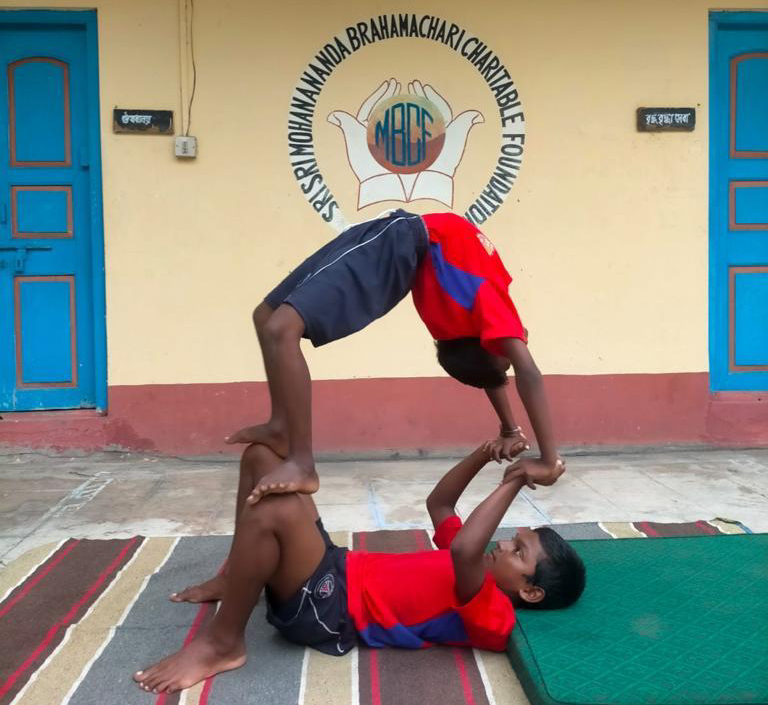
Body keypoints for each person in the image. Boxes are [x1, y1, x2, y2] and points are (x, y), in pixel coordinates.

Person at [133, 443, 585, 695]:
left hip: (331, 612)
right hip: (337, 568)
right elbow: (440, 504)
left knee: (273, 512)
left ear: (530, 592)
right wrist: (485, 455)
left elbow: (468, 545)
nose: (503, 543)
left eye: (518, 551)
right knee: (262, 458)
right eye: (514, 539)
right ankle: (240, 576)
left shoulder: (492, 613)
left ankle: (223, 642)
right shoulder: (472, 565)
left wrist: (516, 479)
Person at [226, 210, 561, 501]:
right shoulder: (480, 315)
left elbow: (519, 371)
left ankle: (302, 462)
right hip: (395, 234)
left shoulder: (484, 308)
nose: (516, 347)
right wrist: (514, 433)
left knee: (280, 329)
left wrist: (546, 458)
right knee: (265, 317)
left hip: (399, 240)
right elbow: (501, 372)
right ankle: (281, 426)